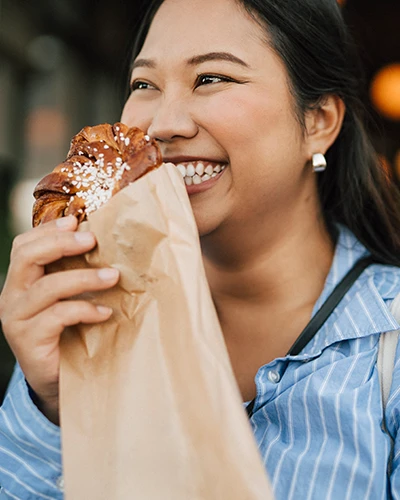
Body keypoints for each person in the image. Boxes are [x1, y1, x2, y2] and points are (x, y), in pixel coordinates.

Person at [1, 0, 400, 498]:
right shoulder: (88, 310)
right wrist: (55, 405)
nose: (164, 124)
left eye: (211, 78)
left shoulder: (387, 351)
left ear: (318, 120)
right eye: (144, 85)